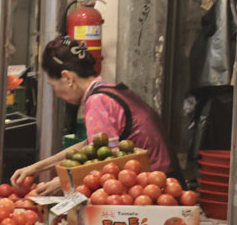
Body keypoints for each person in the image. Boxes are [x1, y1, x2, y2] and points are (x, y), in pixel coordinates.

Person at [13, 37, 176, 185]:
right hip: (163, 181)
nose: (56, 94)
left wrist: (63, 182)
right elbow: (91, 146)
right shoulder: (109, 90)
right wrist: (36, 168)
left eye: (53, 86)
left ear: (68, 78)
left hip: (156, 188)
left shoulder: (97, 102)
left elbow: (107, 163)